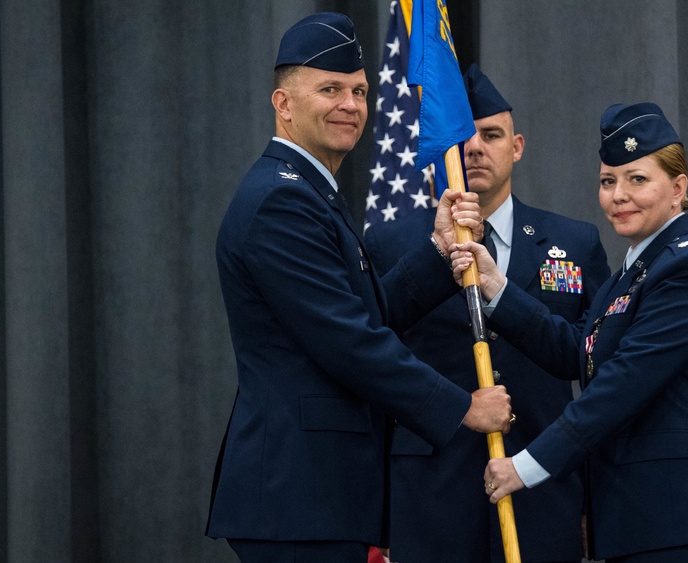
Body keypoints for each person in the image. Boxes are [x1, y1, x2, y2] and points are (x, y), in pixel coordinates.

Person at [205, 13, 512, 563]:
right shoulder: (283, 202)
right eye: (330, 89)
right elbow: (350, 342)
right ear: (284, 104)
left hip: (317, 495)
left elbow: (365, 316)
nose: (350, 104)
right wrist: (463, 407)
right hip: (297, 497)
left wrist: (441, 252)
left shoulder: (308, 192)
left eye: (360, 91)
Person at [452, 102, 688, 562]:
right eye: (608, 181)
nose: (619, 195)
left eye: (637, 179)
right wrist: (496, 286)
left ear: (678, 188)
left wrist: (526, 466)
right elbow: (578, 352)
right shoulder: (634, 269)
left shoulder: (687, 268)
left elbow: (620, 387)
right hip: (642, 523)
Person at [364, 64, 610, 563]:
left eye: (491, 135)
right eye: (462, 138)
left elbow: (601, 372)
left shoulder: (573, 242)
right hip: (428, 496)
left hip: (544, 491)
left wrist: (594, 499)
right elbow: (368, 353)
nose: (475, 147)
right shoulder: (392, 244)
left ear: (515, 147)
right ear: (440, 150)